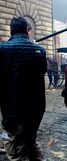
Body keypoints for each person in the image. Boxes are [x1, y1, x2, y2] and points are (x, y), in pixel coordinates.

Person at [0, 17, 47, 160]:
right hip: (36, 109)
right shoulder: (40, 50)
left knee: (17, 151)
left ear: (11, 30)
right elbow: (42, 71)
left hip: (13, 110)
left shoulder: (3, 49)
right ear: (28, 30)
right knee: (30, 140)